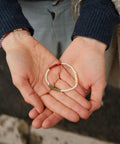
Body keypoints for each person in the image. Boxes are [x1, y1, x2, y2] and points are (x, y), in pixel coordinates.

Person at [0, 0, 120, 129]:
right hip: (26, 11)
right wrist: (12, 33)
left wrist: (97, 19)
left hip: (80, 8)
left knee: (84, 59)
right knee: (40, 50)